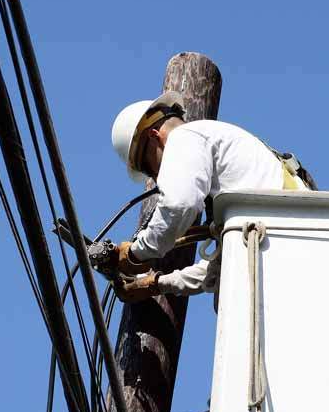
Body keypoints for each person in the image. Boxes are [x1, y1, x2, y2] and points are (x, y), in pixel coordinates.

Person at [110, 92, 314, 303]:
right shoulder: (239, 184)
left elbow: (178, 205)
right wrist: (156, 283)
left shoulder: (185, 136)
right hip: (294, 258)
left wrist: (135, 254)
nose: (154, 177)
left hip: (289, 255)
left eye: (147, 167)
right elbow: (221, 270)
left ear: (155, 136)